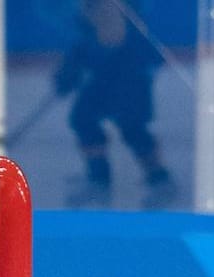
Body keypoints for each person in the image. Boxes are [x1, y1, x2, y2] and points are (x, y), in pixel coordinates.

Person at [54, 0, 175, 209]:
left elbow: (153, 55)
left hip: (131, 84)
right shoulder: (87, 31)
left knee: (132, 126)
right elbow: (78, 55)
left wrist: (139, 66)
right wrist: (67, 77)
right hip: (101, 84)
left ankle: (156, 172)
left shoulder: (134, 29)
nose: (99, 14)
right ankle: (98, 170)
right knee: (83, 119)